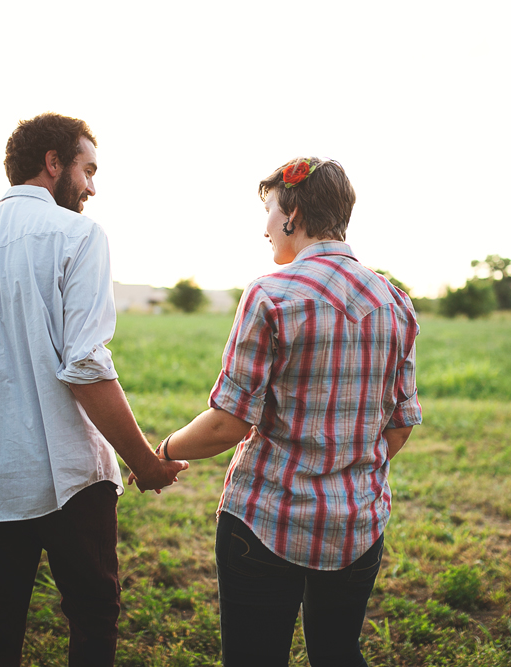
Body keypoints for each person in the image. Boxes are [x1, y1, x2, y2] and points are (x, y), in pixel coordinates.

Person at [0, 112, 188, 667]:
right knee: (92, 620)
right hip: (71, 478)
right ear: (52, 163)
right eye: (87, 170)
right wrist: (147, 463)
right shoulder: (80, 235)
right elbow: (86, 365)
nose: (92, 186)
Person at [152, 157, 422, 666]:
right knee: (339, 654)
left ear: (293, 213)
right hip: (357, 525)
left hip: (265, 523)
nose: (266, 226)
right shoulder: (396, 302)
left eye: (271, 210)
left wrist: (162, 452)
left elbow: (228, 423)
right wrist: (346, 465)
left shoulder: (270, 294)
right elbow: (401, 423)